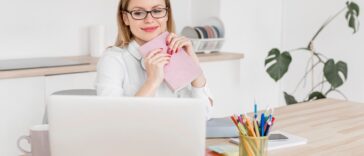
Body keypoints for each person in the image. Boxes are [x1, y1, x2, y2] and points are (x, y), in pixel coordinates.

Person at [95, 0, 213, 119]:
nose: (149, 20)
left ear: (167, 14)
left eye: (157, 11)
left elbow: (203, 116)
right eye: (139, 13)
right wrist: (152, 81)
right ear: (125, 18)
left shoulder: (178, 51)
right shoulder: (112, 59)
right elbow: (113, 120)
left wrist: (195, 70)